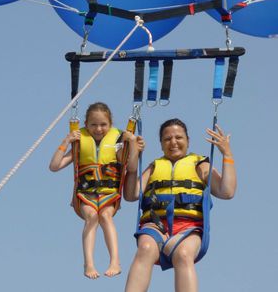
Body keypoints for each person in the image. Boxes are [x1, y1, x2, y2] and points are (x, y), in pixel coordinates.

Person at [123, 118, 237, 292]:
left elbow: (227, 191)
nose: (173, 142)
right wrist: (132, 161)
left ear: (188, 141)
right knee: (145, 248)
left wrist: (227, 154)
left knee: (183, 254)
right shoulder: (154, 167)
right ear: (161, 144)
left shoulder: (200, 165)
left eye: (179, 137)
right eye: (167, 139)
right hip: (156, 226)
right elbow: (131, 195)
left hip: (189, 228)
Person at [49, 102, 144, 279]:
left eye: (103, 125)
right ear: (86, 124)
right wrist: (66, 141)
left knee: (105, 216)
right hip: (85, 194)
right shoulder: (79, 144)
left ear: (110, 124)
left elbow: (130, 167)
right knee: (92, 217)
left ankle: (115, 261)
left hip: (109, 193)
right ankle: (89, 263)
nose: (98, 129)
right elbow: (54, 166)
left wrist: (132, 144)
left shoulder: (117, 142)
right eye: (93, 125)